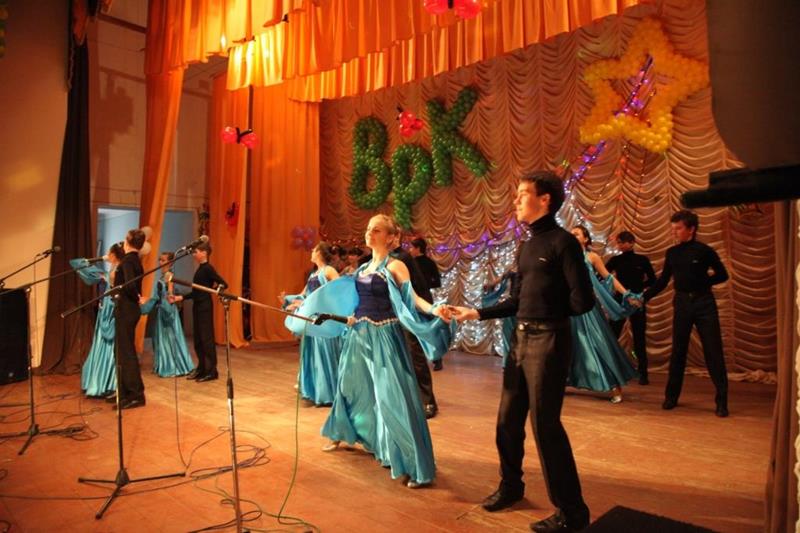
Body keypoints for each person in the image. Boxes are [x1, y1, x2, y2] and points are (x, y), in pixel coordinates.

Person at [450, 170, 594, 532]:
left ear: (545, 199)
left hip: (549, 341)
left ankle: (573, 512)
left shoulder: (564, 243)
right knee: (507, 422)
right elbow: (516, 301)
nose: (515, 200)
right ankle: (511, 487)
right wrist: (476, 313)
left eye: (522, 193)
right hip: (520, 341)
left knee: (546, 427)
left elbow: (583, 301)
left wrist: (548, 312)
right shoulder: (527, 246)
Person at [320, 214, 451, 488]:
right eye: (369, 228)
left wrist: (434, 309)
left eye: (377, 229)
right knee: (350, 388)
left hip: (385, 336)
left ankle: (414, 464)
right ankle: (359, 436)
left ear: (391, 237)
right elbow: (352, 301)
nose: (370, 232)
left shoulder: (396, 265)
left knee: (393, 398)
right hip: (359, 336)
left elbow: (413, 298)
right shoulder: (362, 268)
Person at [644, 210, 730, 417]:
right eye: (673, 228)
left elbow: (722, 275)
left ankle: (722, 401)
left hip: (704, 303)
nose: (674, 232)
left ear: (691, 229)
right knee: (678, 351)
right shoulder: (672, 253)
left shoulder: (705, 251)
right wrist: (643, 297)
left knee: (713, 351)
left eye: (678, 228)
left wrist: (703, 282)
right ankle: (671, 397)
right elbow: (663, 281)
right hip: (682, 303)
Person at [568, 226, 639, 404]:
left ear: (586, 239)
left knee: (599, 344)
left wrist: (626, 294)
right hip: (569, 307)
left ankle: (615, 386)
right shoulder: (565, 257)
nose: (572, 236)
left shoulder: (591, 257)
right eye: (571, 234)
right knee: (569, 345)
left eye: (576, 234)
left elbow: (609, 278)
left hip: (588, 308)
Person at [280, 242, 342, 405]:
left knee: (323, 352)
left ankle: (328, 392)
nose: (312, 252)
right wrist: (290, 301)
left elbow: (338, 291)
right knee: (312, 352)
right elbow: (304, 295)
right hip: (311, 318)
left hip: (323, 318)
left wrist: (318, 303)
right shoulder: (314, 274)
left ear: (320, 253)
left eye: (314, 250)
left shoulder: (329, 270)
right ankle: (315, 389)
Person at [389, 230, 442, 416]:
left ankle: (428, 401)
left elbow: (418, 287)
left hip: (408, 314)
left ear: (393, 236)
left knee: (415, 356)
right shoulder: (380, 260)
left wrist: (423, 313)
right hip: (390, 316)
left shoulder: (403, 258)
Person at [71, 243, 124, 398]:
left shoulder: (115, 272)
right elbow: (76, 263)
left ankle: (107, 383)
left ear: (113, 255)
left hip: (109, 310)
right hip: (106, 309)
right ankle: (104, 382)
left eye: (109, 253)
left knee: (109, 345)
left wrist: (100, 258)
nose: (106, 255)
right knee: (105, 344)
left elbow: (77, 263)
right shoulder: (112, 270)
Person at [170, 241, 227, 382]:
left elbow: (223, 283)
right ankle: (202, 368)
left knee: (206, 339)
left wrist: (216, 289)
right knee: (198, 340)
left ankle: (211, 371)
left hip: (205, 307)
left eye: (196, 252)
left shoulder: (208, 268)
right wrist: (180, 297)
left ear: (204, 253)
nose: (194, 254)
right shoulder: (200, 269)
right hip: (198, 306)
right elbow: (196, 291)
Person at [605, 231, 656, 384]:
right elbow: (603, 274)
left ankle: (643, 373)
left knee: (639, 337)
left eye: (622, 242)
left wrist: (640, 291)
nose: (619, 245)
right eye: (618, 242)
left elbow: (653, 280)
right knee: (612, 335)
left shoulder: (642, 260)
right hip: (619, 302)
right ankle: (610, 370)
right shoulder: (616, 260)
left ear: (632, 243)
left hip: (637, 301)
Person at [108, 229, 147, 410]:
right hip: (126, 309)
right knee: (121, 351)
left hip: (127, 309)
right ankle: (123, 391)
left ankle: (135, 394)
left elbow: (130, 285)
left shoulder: (129, 260)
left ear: (128, 241)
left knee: (126, 352)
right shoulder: (133, 260)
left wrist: (136, 297)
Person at [140, 252, 196, 377]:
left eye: (163, 260)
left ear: (170, 263)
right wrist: (148, 299)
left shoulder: (169, 275)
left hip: (167, 309)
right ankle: (165, 364)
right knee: (163, 338)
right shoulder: (162, 276)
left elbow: (169, 292)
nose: (160, 262)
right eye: (160, 259)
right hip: (162, 308)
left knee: (170, 337)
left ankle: (174, 366)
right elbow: (159, 295)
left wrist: (169, 295)